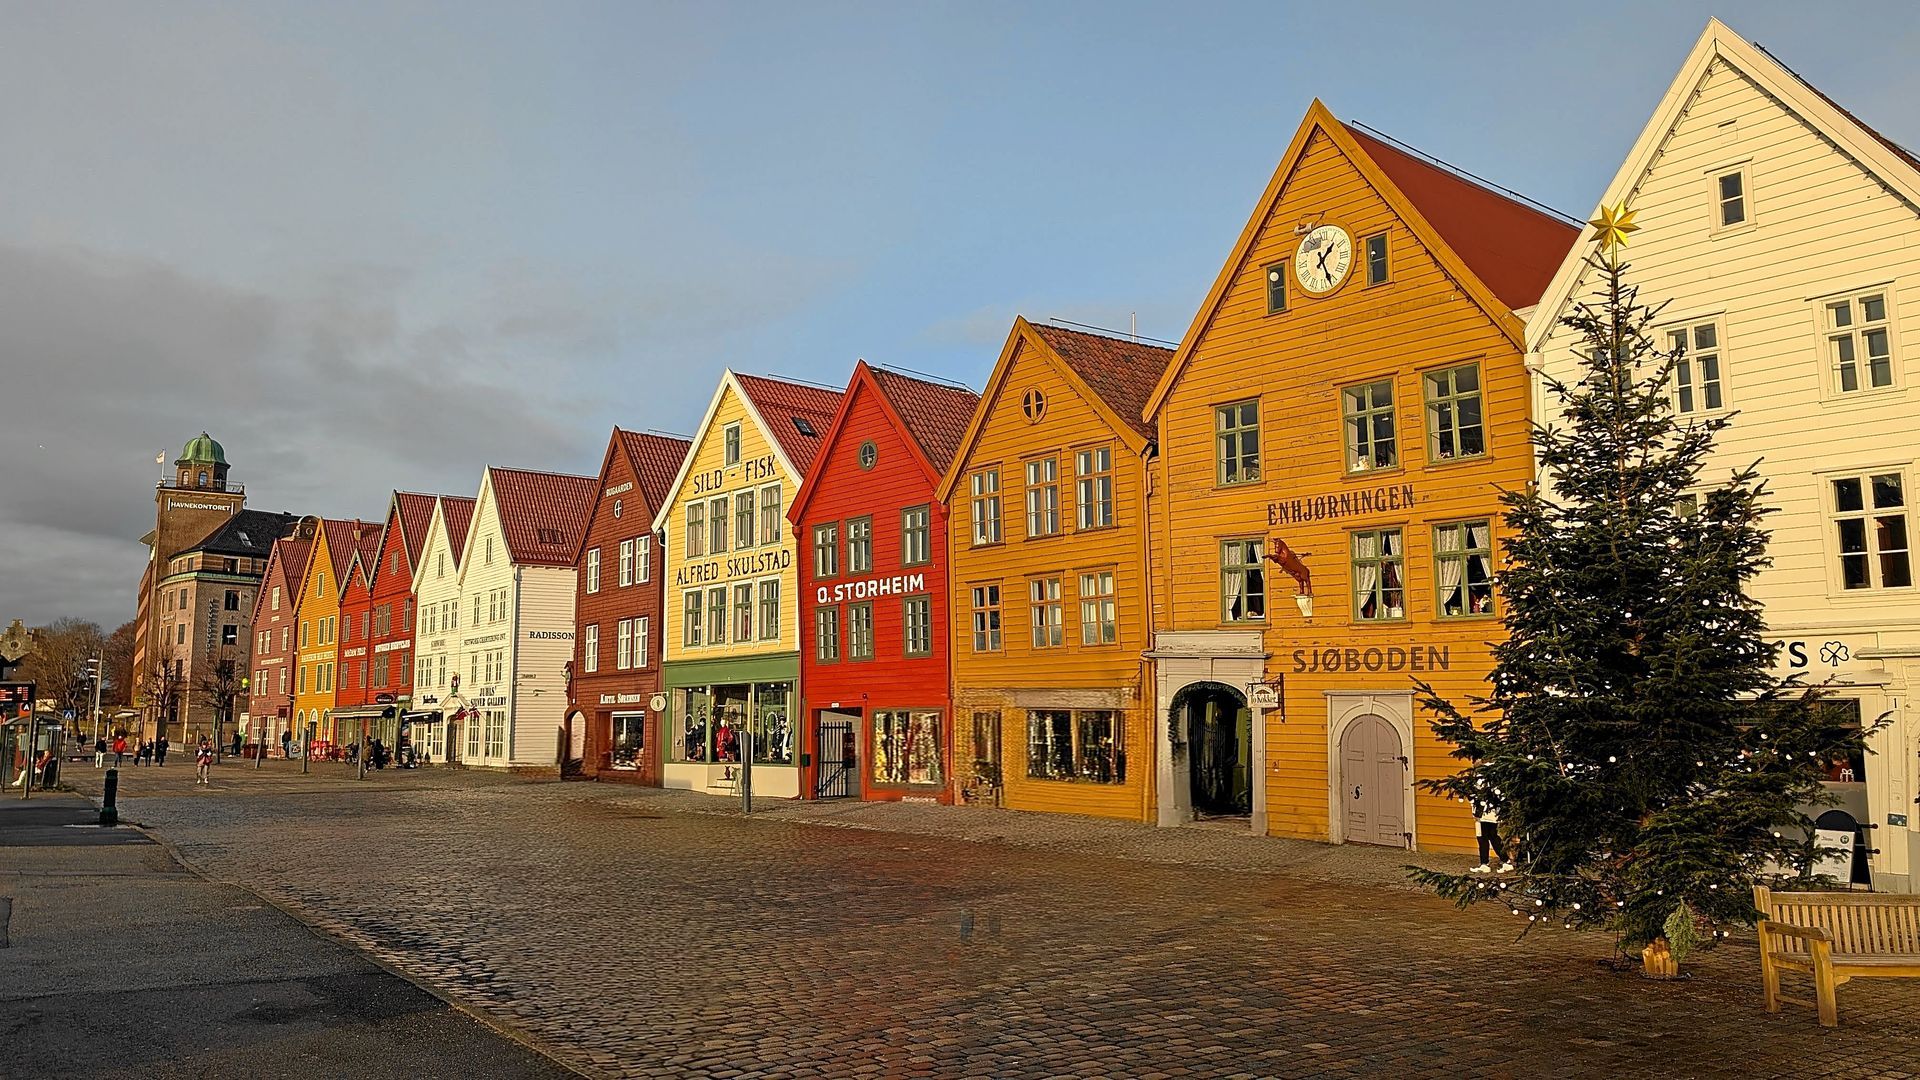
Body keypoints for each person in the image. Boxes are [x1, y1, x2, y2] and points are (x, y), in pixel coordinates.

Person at [1470, 788, 1513, 874]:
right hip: (1488, 815)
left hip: (1485, 815)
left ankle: (1487, 863)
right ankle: (1503, 861)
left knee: (1486, 838)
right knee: (1490, 837)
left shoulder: (1484, 783)